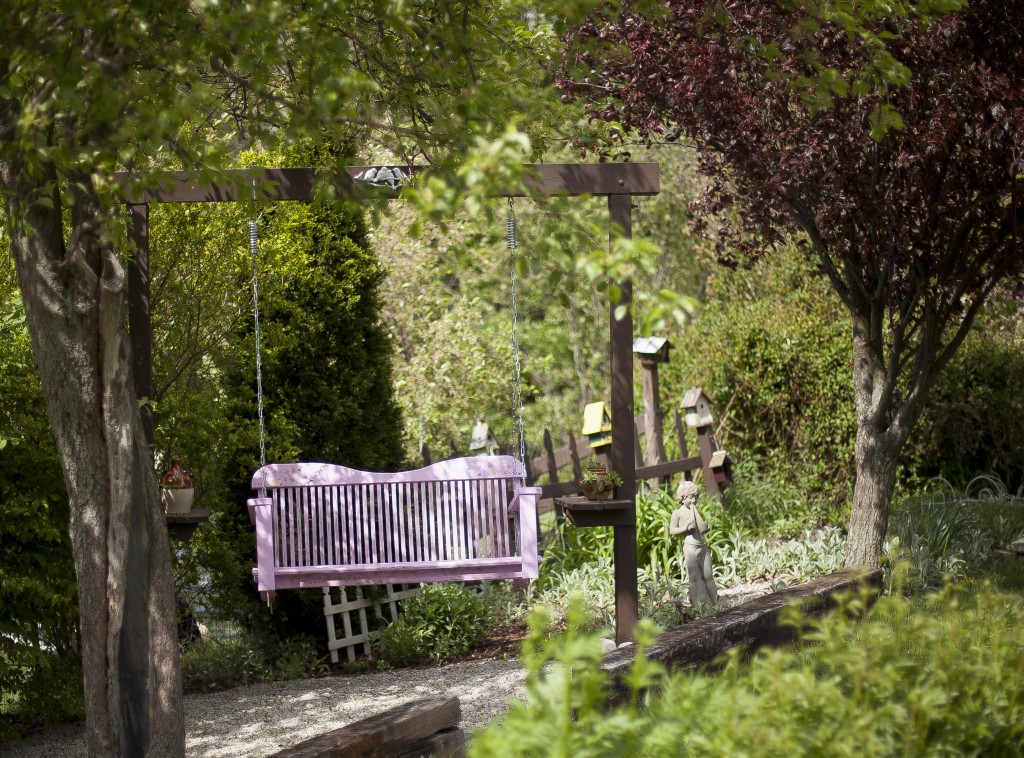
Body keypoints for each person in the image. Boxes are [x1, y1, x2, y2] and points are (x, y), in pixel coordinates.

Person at [669, 480, 718, 606]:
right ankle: (697, 606)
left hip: (702, 545)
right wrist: (685, 528)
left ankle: (716, 603)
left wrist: (705, 526)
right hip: (690, 547)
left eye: (696, 497)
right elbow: (672, 530)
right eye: (691, 497)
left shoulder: (695, 511)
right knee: (694, 578)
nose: (694, 500)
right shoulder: (677, 513)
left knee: (708, 576)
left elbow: (702, 528)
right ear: (682, 497)